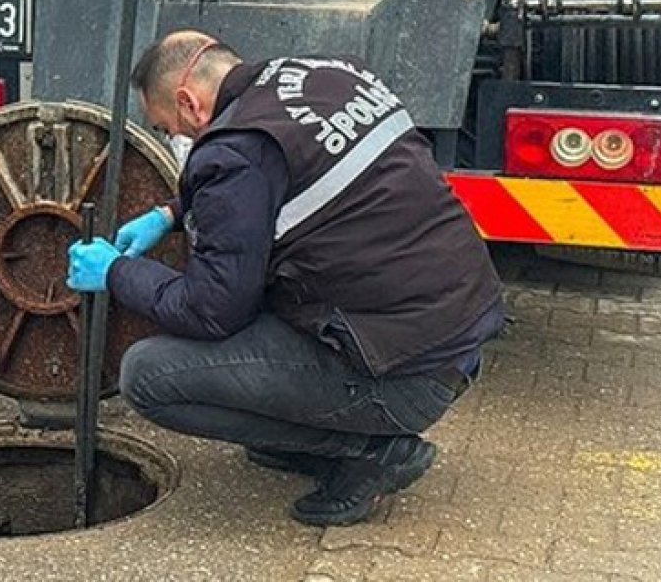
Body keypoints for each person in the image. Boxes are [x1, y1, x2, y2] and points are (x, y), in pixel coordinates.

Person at [67, 30, 505, 527]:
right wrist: (170, 213)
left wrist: (118, 272)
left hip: (407, 377)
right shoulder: (330, 74)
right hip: (455, 337)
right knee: (259, 293)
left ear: (189, 103)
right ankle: (321, 433)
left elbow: (211, 310)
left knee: (148, 374)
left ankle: (373, 449)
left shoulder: (232, 149)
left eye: (173, 130)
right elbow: (287, 171)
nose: (181, 141)